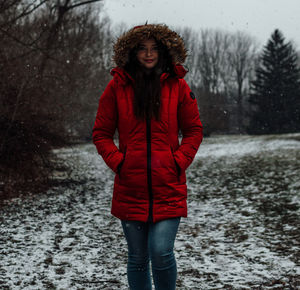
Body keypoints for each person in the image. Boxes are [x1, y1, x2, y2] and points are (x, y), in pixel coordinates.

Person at [92, 24, 203, 290]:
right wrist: (120, 163)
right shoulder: (117, 87)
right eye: (142, 48)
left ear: (163, 51)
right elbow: (101, 133)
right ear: (132, 52)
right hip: (131, 187)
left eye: (154, 48)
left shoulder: (178, 85)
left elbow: (194, 130)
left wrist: (177, 161)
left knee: (161, 252)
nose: (149, 54)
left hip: (168, 185)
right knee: (138, 258)